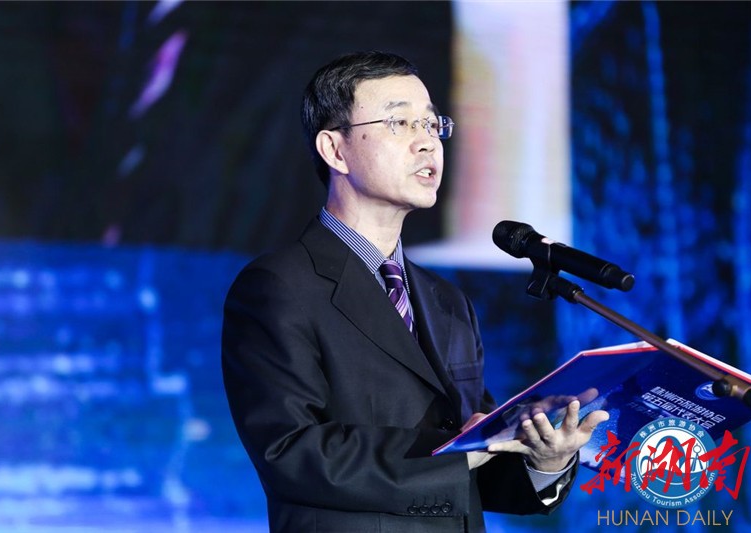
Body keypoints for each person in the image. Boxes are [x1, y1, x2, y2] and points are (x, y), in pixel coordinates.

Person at [221, 51, 608, 532]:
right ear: (335, 150)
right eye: (400, 122)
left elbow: (475, 467)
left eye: (432, 124)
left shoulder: (447, 301)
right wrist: (456, 452)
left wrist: (543, 456)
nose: (427, 142)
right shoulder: (279, 286)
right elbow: (291, 452)